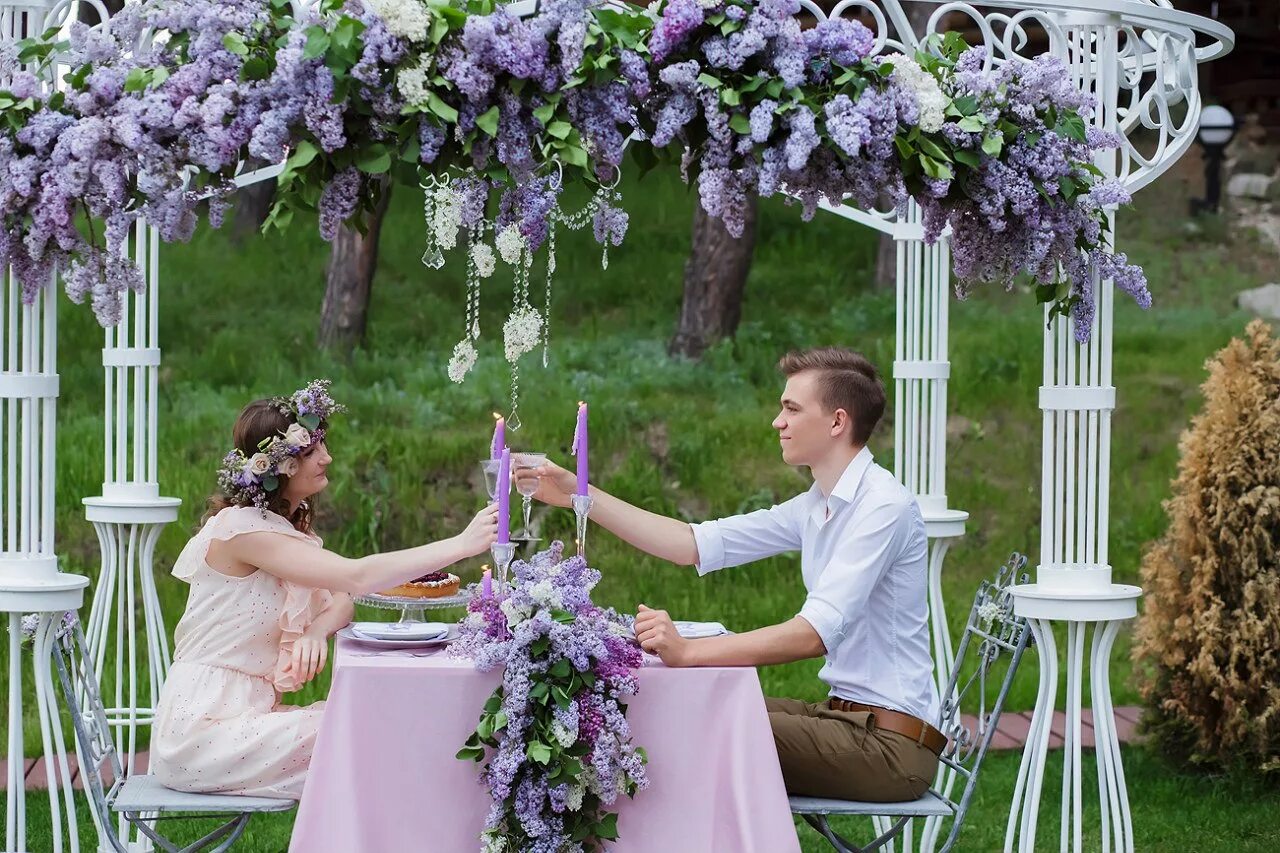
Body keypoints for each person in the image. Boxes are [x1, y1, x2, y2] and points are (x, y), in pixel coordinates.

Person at [520, 348, 942, 802]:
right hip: (844, 720)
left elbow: (811, 635)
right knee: (684, 705)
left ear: (837, 422)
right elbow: (693, 544)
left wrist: (689, 652)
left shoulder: (883, 508)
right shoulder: (818, 504)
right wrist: (578, 495)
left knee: (694, 729)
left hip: (890, 747)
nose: (777, 422)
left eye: (791, 409)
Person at [151, 380, 498, 799]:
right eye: (312, 450)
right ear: (280, 467)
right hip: (200, 730)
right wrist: (461, 546)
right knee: (368, 736)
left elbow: (343, 601)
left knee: (376, 737)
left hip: (246, 718)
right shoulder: (241, 531)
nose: (327, 457)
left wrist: (316, 631)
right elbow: (356, 576)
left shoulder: (283, 533)